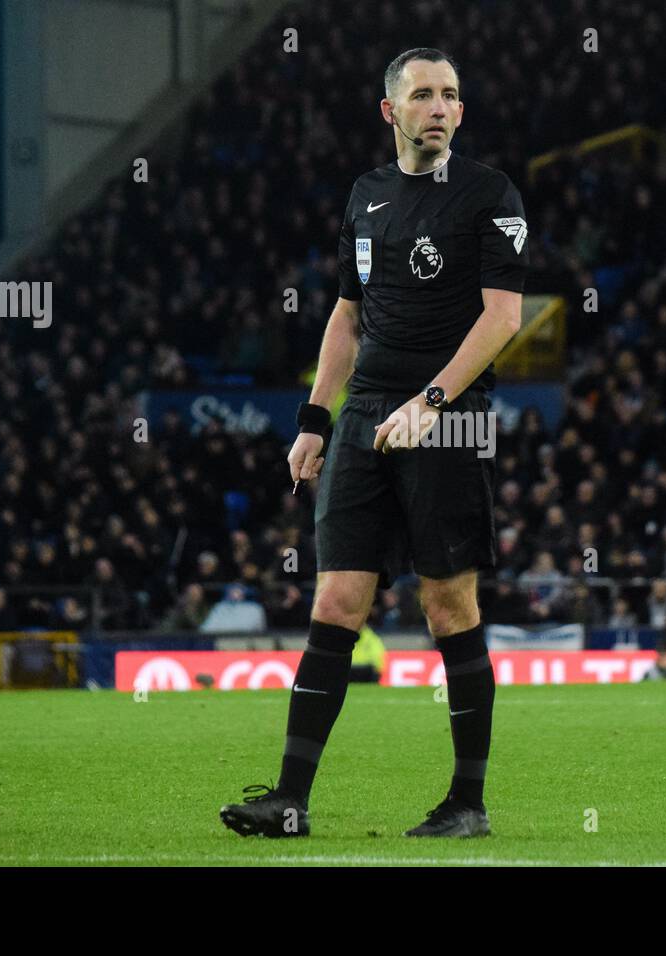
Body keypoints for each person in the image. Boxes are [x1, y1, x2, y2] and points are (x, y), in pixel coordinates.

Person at [221, 47, 529, 840]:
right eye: (423, 94)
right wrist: (315, 419)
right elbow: (347, 318)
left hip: (448, 418)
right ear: (389, 110)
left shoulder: (490, 195)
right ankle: (289, 800)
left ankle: (468, 803)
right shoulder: (365, 197)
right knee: (336, 601)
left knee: (447, 602)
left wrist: (432, 402)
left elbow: (502, 319)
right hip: (365, 418)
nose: (440, 107)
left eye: (452, 95)